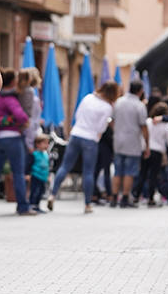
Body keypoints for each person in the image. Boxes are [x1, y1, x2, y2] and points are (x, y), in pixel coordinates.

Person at [47, 81, 119, 214]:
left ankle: (52, 194)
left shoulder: (88, 98)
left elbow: (77, 115)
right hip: (90, 138)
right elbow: (101, 127)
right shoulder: (107, 107)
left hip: (76, 134)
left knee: (65, 166)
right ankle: (87, 204)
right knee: (88, 172)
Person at [0, 68, 34, 216]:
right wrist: (20, 121)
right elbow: (22, 116)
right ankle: (22, 207)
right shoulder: (10, 99)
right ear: (13, 82)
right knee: (18, 173)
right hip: (12, 138)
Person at [112, 81, 149, 208]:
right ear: (140, 91)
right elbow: (143, 126)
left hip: (118, 141)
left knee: (118, 171)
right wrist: (147, 144)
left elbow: (112, 120)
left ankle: (114, 197)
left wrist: (116, 131)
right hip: (132, 142)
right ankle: (125, 197)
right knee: (129, 171)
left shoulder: (119, 102)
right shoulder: (139, 106)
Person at [140, 101, 168, 207]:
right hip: (157, 152)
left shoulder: (148, 122)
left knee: (143, 174)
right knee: (154, 176)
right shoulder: (166, 126)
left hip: (145, 150)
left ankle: (138, 195)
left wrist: (144, 148)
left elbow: (141, 136)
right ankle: (151, 198)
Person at [29, 134, 50, 212]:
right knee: (34, 191)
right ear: (37, 144)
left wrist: (48, 176)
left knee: (41, 192)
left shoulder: (46, 154)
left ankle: (37, 205)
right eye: (44, 143)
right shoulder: (34, 154)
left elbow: (47, 165)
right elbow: (29, 165)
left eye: (47, 143)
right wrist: (28, 174)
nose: (46, 145)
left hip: (43, 177)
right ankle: (32, 205)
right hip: (36, 175)